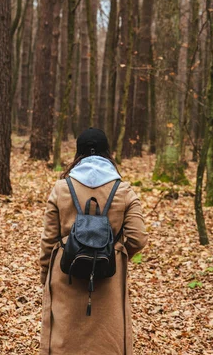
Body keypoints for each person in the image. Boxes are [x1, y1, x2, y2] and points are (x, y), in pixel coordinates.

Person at [39, 128, 148, 354]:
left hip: (65, 272)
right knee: (107, 341)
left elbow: (49, 240)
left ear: (78, 155)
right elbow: (138, 237)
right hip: (109, 276)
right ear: (107, 154)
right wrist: (115, 252)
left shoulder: (61, 188)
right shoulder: (124, 191)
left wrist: (45, 275)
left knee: (64, 338)